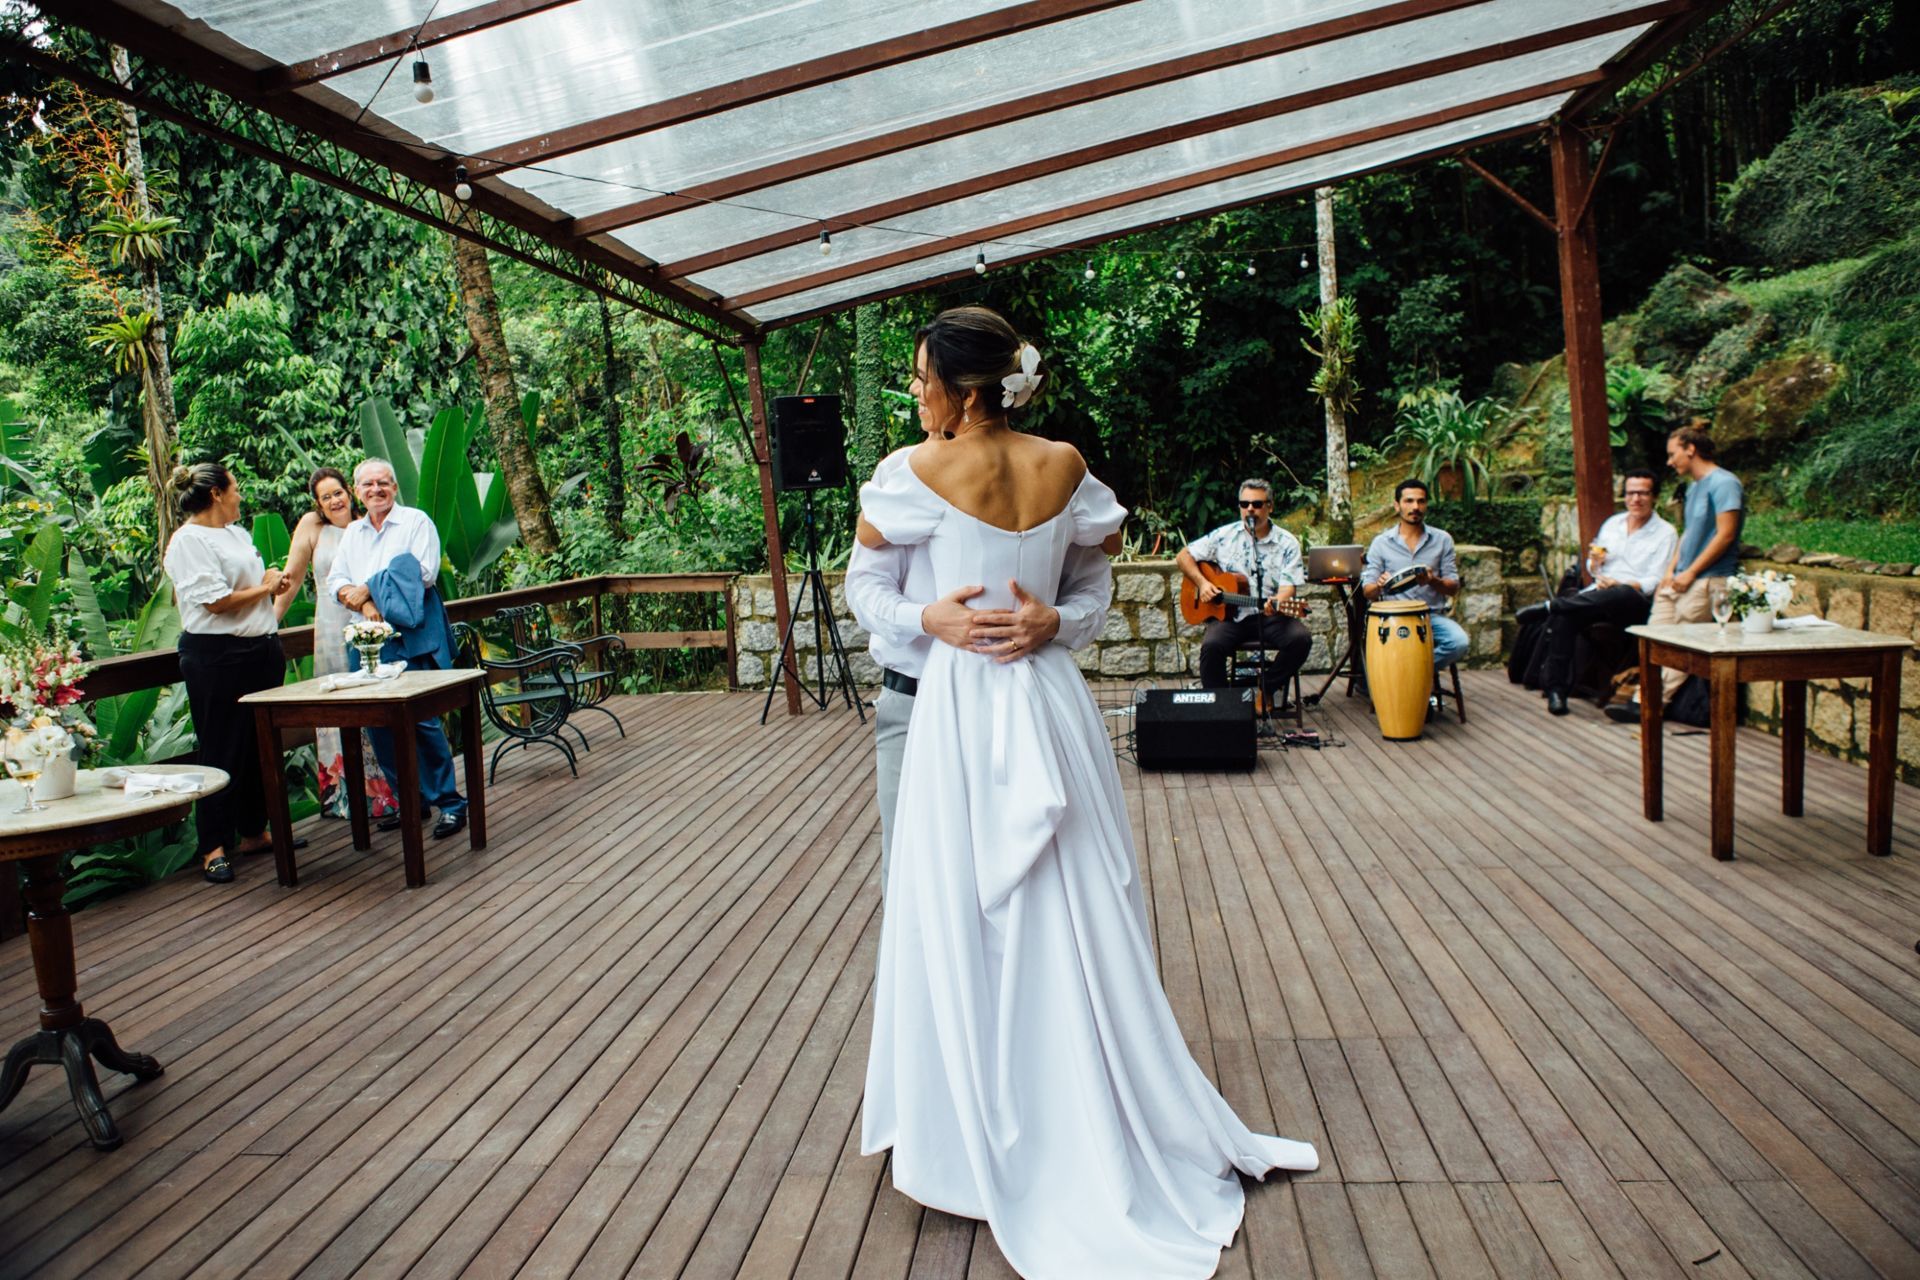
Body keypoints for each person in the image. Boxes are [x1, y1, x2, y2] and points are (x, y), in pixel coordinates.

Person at [855, 306, 1316, 1280]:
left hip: (960, 707)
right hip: (1051, 700)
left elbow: (873, 601)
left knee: (967, 905)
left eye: (922, 376)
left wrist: (929, 617)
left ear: (965, 384)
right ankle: (1066, 1098)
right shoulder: (1067, 464)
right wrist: (1051, 623)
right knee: (1064, 901)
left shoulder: (906, 475)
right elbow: (1095, 598)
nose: (915, 391)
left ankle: (977, 1125)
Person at [161, 463, 294, 884]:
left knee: (260, 743)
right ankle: (214, 844)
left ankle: (254, 830)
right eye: (235, 488)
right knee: (222, 746)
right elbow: (215, 602)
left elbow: (250, 589)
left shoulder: (237, 534)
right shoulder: (188, 541)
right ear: (217, 493)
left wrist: (270, 584)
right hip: (218, 657)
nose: (240, 495)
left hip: (260, 650)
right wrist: (267, 589)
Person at [323, 458, 467, 839]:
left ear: (395, 487)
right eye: (367, 485)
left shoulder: (416, 522)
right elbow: (336, 580)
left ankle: (450, 803)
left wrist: (369, 588)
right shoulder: (353, 533)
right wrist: (362, 604)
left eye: (383, 483)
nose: (376, 490)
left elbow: (423, 573)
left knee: (422, 720)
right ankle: (410, 800)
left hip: (410, 634)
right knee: (378, 724)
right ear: (357, 491)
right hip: (367, 639)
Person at [280, 466, 398, 820]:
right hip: (331, 629)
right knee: (336, 705)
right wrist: (268, 620)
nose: (334, 500)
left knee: (373, 706)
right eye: (325, 496)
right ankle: (344, 796)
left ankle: (385, 794)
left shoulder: (368, 525)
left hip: (369, 623)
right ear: (317, 503)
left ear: (350, 491)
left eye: (338, 492)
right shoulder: (312, 528)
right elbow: (293, 577)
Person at [1606, 424, 1744, 723]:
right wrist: (1671, 571)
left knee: (1682, 641)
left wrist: (1692, 572)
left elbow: (1726, 534)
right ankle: (1642, 694)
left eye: (1673, 454)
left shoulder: (1725, 484)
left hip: (1708, 578)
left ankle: (1649, 703)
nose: (1669, 462)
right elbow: (1689, 534)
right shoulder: (1694, 488)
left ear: (1690, 450)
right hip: (1679, 577)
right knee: (1655, 638)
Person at [1537, 468, 1677, 716]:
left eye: (1643, 493)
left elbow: (1655, 580)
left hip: (1634, 603)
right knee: (1566, 616)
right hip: (1598, 596)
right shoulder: (1612, 524)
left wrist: (1619, 584)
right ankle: (1556, 690)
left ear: (1654, 496)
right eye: (1631, 493)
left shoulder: (1665, 532)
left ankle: (1552, 605)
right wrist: (1595, 565)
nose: (1636, 499)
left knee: (1620, 592)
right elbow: (1593, 567)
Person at [1176, 478, 1311, 707]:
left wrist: (1278, 602)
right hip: (1231, 616)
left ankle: (1267, 689)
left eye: (1257, 504)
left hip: (1271, 616)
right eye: (1244, 504)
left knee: (1301, 639)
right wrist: (1203, 584)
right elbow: (1183, 556)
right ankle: (1219, 707)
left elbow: (1289, 587)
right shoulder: (1224, 535)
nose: (1250, 509)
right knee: (1212, 647)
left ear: (1270, 506)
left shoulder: (1287, 543)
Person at [1362, 477, 1468, 670]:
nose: (1415, 507)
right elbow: (1367, 592)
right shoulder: (1381, 542)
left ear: (1426, 505)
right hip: (1393, 618)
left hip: (1430, 616)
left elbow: (1453, 588)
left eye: (1421, 501)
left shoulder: (1442, 540)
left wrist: (1432, 580)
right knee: (1380, 658)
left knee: (1458, 642)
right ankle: (1410, 680)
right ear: (1397, 506)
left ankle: (1410, 673)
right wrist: (1379, 585)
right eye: (1409, 501)